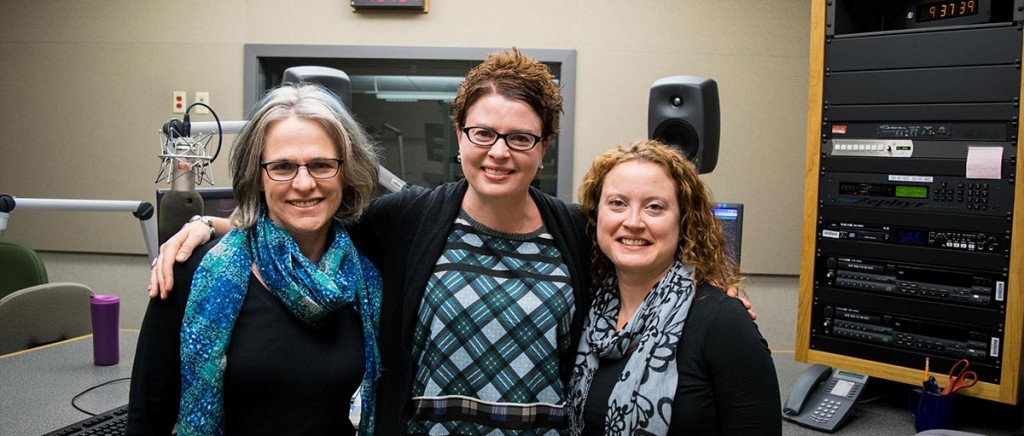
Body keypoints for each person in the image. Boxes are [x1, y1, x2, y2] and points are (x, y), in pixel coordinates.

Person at [150, 49, 756, 435]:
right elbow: (310, 217)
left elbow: (641, 262)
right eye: (483, 132)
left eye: (521, 138)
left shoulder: (575, 230)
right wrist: (213, 225)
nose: (499, 151)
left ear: (544, 147)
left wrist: (715, 298)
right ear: (460, 135)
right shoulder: (408, 218)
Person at [127, 83, 383, 435]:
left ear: (346, 172)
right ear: (257, 177)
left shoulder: (364, 276)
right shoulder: (192, 271)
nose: (304, 183)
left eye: (322, 164)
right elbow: (147, 417)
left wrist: (208, 222)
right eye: (282, 166)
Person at [567, 139, 781, 435]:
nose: (633, 222)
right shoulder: (584, 310)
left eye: (654, 207)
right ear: (596, 215)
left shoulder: (722, 321)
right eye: (617, 203)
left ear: (684, 221)